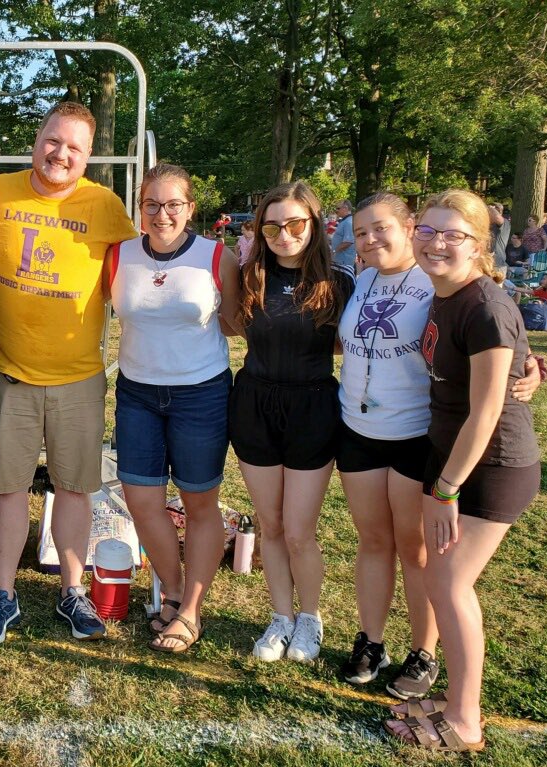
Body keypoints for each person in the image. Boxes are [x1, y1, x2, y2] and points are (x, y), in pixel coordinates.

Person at [336, 193, 541, 696]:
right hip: (358, 432)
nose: (370, 240)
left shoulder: (434, 280)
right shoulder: (361, 280)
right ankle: (371, 640)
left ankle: (423, 652)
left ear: (409, 227)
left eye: (381, 228)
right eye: (360, 233)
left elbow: (496, 326)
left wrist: (534, 363)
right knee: (372, 541)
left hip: (416, 434)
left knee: (416, 551)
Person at [0, 102, 138, 645]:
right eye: (53, 141)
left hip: (79, 376)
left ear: (88, 156)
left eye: (74, 148)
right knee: (6, 490)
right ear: (37, 140)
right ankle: (3, 595)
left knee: (74, 489)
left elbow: (145, 264)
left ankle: (73, 593)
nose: (61, 154)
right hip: (8, 372)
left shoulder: (105, 205)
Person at [384, 190, 540, 752]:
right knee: (443, 582)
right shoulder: (445, 293)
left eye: (454, 234)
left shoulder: (483, 305)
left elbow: (489, 408)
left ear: (479, 245)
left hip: (490, 468)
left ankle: (465, 719)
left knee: (450, 585)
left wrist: (445, 490)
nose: (437, 242)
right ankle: (454, 701)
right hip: (450, 460)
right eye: (427, 230)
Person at [106, 163, 240, 652]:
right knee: (141, 501)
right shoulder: (119, 255)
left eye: (173, 205)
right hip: (137, 391)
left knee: (198, 502)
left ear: (190, 208)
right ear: (139, 207)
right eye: (151, 204)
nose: (162, 214)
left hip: (200, 394)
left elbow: (237, 321)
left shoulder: (216, 256)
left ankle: (190, 610)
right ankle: (173, 588)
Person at [228, 181, 354, 663]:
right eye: (273, 224)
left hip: (313, 408)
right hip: (255, 405)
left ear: (314, 225)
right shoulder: (248, 275)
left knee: (300, 530)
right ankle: (281, 616)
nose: (284, 233)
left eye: (295, 223)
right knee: (271, 524)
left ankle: (311, 616)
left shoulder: (338, 281)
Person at [331, 199, 356, 271]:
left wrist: (334, 251)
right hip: (340, 260)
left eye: (338, 208)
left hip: (344, 261)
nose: (336, 210)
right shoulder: (345, 221)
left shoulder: (348, 222)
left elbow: (348, 242)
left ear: (345, 208)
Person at [487, 203, 510, 270]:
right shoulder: (487, 224)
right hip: (486, 264)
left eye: (497, 209)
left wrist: (490, 208)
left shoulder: (505, 223)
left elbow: (497, 217)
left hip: (498, 265)